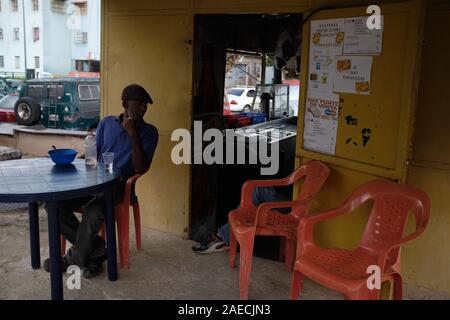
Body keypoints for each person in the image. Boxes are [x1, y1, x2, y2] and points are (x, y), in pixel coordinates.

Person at [43, 84, 159, 278]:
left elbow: (140, 168)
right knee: (53, 204)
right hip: (93, 181)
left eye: (145, 105)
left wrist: (132, 135)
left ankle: (74, 258)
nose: (143, 108)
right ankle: (96, 251)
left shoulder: (149, 132)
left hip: (118, 187)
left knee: (94, 211)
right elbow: (94, 155)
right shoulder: (106, 123)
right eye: (138, 104)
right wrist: (77, 159)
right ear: (124, 104)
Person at [192, 186, 291, 254]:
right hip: (282, 200)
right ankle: (222, 237)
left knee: (257, 191)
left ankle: (222, 238)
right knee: (251, 202)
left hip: (293, 206)